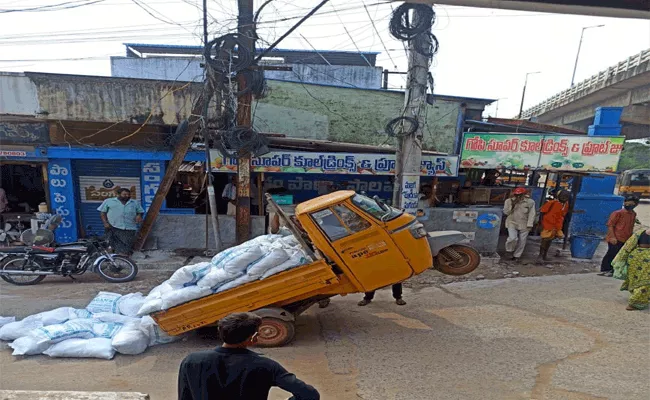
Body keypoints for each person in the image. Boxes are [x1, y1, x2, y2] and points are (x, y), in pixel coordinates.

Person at [178, 312, 319, 400]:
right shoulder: (265, 366)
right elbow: (310, 395)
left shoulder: (192, 361)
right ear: (253, 338)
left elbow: (185, 396)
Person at [598, 196, 639, 277]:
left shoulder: (633, 214)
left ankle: (613, 270)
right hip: (616, 237)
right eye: (627, 203)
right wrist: (613, 237)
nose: (628, 204)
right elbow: (610, 225)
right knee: (611, 254)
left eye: (631, 203)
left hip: (626, 238)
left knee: (620, 255)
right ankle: (605, 269)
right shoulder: (618, 213)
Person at [611, 228, 650, 311]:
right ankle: (635, 303)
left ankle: (638, 297)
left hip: (635, 258)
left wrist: (620, 259)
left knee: (636, 280)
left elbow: (628, 246)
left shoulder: (639, 233)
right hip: (645, 261)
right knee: (645, 282)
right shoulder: (639, 233)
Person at [98, 188, 144, 255]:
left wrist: (139, 216)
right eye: (124, 194)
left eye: (128, 194)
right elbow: (102, 213)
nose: (127, 196)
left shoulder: (134, 202)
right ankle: (110, 259)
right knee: (111, 244)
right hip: (113, 226)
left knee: (126, 245)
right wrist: (105, 222)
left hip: (129, 227)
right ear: (118, 194)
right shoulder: (108, 201)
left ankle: (124, 259)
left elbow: (140, 212)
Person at [536, 190, 571, 264]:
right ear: (558, 196)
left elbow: (563, 215)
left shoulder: (566, 205)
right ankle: (540, 256)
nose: (564, 198)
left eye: (566, 197)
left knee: (549, 240)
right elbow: (542, 213)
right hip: (547, 225)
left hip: (556, 226)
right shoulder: (551, 203)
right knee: (545, 240)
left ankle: (544, 255)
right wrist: (541, 224)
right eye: (563, 196)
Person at [503, 187, 537, 261]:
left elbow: (532, 214)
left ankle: (517, 255)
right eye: (516, 195)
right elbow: (506, 212)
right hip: (512, 222)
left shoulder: (530, 202)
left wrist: (530, 224)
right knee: (512, 238)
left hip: (524, 223)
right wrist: (512, 205)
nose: (518, 197)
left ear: (524, 194)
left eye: (520, 195)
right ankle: (509, 251)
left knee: (522, 240)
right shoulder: (508, 201)